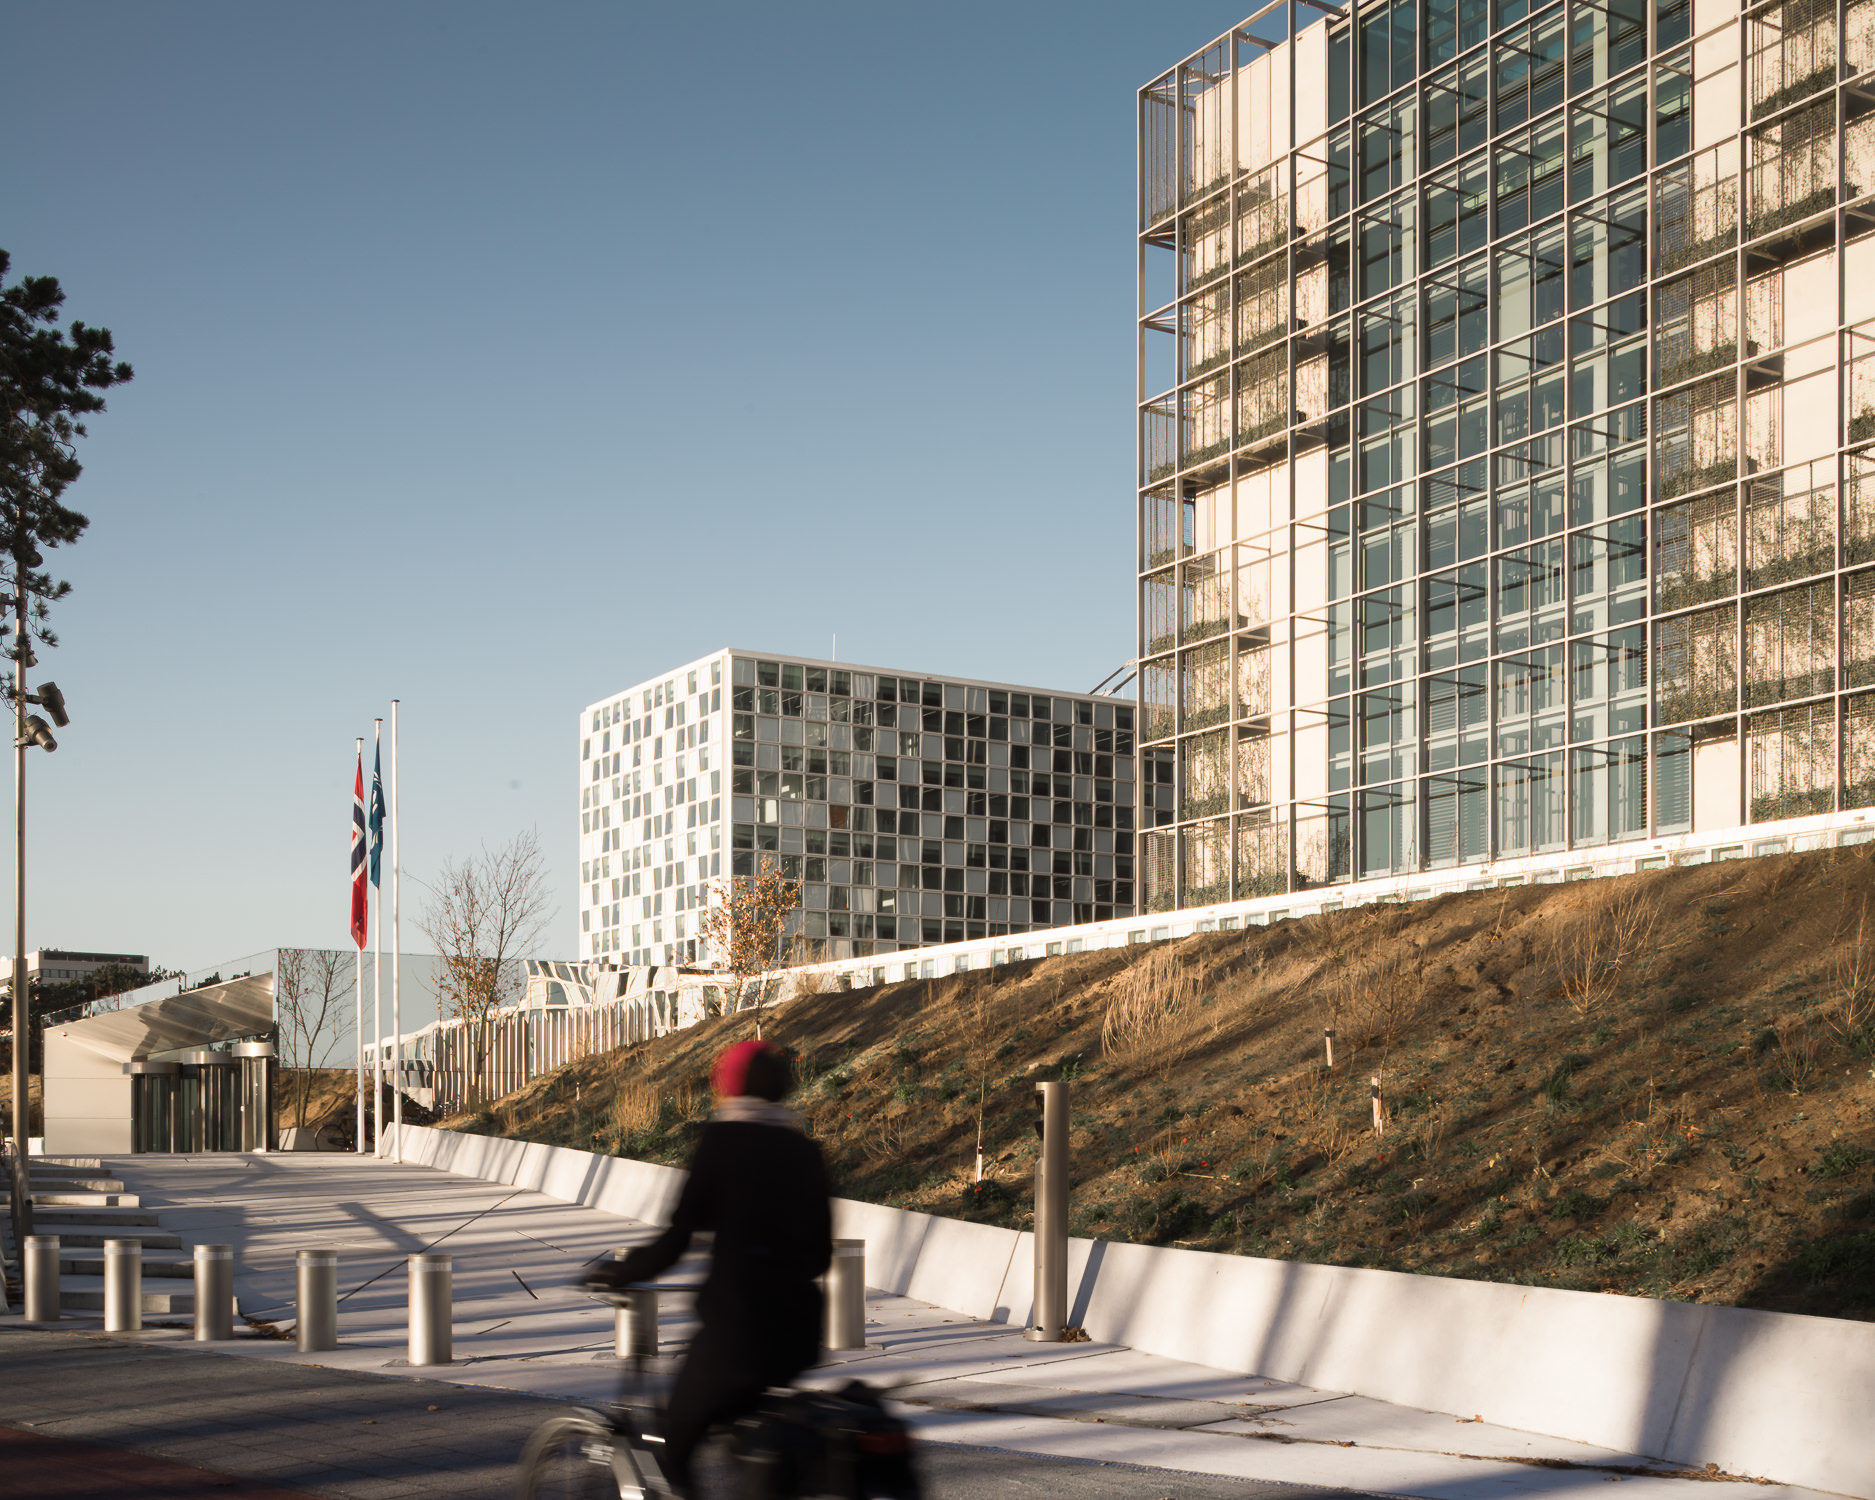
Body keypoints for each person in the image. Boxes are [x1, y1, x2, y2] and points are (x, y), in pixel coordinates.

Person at [587, 1039, 832, 1496]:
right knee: (748, 1431)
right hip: (799, 1335)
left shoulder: (723, 1141)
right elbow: (821, 1254)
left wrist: (621, 1272)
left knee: (675, 1450)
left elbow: (678, 1239)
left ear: (730, 1088)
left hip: (737, 1336)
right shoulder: (805, 1151)